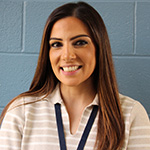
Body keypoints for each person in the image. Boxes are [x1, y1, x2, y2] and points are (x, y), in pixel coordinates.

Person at [0, 1, 150, 150]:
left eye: (79, 42)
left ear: (99, 48)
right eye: (57, 44)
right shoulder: (22, 112)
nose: (67, 56)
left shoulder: (130, 114)